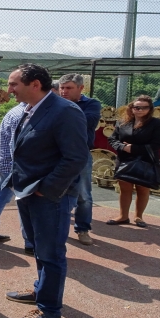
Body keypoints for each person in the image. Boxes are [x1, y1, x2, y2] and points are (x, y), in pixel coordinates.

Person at [4, 63, 88, 318]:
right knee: (39, 248)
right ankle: (42, 290)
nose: (10, 90)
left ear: (35, 84)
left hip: (50, 195)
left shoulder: (65, 111)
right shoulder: (32, 108)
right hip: (28, 191)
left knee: (51, 253)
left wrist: (47, 188)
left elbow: (76, 157)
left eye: (14, 84)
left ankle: (50, 309)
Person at [0, 101, 34, 255]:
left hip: (6, 164)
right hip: (14, 165)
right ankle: (30, 242)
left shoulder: (17, 111)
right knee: (23, 200)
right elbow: (17, 145)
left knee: (0, 196)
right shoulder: (24, 114)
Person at [107, 95, 160, 228]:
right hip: (124, 160)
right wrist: (123, 147)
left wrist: (133, 148)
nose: (140, 110)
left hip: (145, 161)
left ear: (150, 109)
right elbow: (112, 139)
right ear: (131, 108)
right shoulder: (123, 122)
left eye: (144, 107)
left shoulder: (156, 124)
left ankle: (139, 216)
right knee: (125, 189)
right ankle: (123, 216)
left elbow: (158, 144)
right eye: (137, 107)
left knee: (142, 189)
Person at [58, 74, 101, 246]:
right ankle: (58, 228)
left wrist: (63, 112)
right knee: (56, 192)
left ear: (81, 88)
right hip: (57, 155)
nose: (64, 91)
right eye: (62, 88)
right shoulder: (55, 103)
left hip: (81, 155)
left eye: (69, 88)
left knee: (83, 195)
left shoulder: (92, 104)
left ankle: (82, 229)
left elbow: (87, 121)